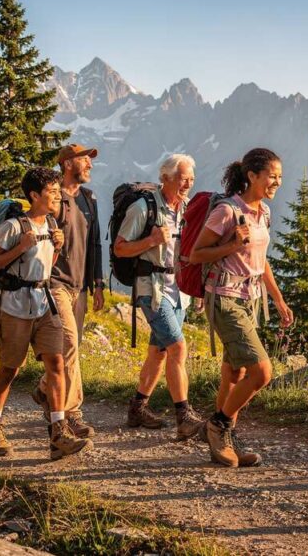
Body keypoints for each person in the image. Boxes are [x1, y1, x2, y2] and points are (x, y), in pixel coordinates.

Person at [189, 148, 294, 467]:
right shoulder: (227, 211)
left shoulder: (263, 212)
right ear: (252, 176)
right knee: (262, 371)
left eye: (280, 176)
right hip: (223, 297)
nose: (277, 181)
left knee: (235, 372)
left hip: (251, 299)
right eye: (272, 176)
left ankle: (225, 441)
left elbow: (261, 263)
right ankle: (218, 425)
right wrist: (232, 245)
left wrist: (277, 299)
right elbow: (196, 255)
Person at [0, 167, 92, 460]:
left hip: (44, 302)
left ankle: (58, 433)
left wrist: (55, 248)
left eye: (57, 191)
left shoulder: (51, 224)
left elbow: (43, 266)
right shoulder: (14, 227)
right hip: (14, 305)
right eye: (52, 192)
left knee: (56, 363)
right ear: (34, 196)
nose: (57, 196)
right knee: (10, 369)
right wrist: (20, 248)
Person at [115, 154, 204, 440]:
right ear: (165, 178)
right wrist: (152, 240)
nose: (187, 184)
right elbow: (120, 248)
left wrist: (197, 287)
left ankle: (137, 408)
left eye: (190, 179)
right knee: (178, 348)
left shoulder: (188, 209)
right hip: (151, 289)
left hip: (179, 290)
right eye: (182, 178)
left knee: (159, 351)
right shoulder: (144, 208)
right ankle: (184, 417)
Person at [31, 144, 105, 439]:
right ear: (66, 164)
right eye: (84, 159)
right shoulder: (54, 197)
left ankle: (45, 389)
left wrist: (97, 283)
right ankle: (72, 413)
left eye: (89, 159)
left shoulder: (89, 198)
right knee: (70, 344)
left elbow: (96, 242)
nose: (89, 164)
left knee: (69, 351)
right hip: (55, 282)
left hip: (80, 285)